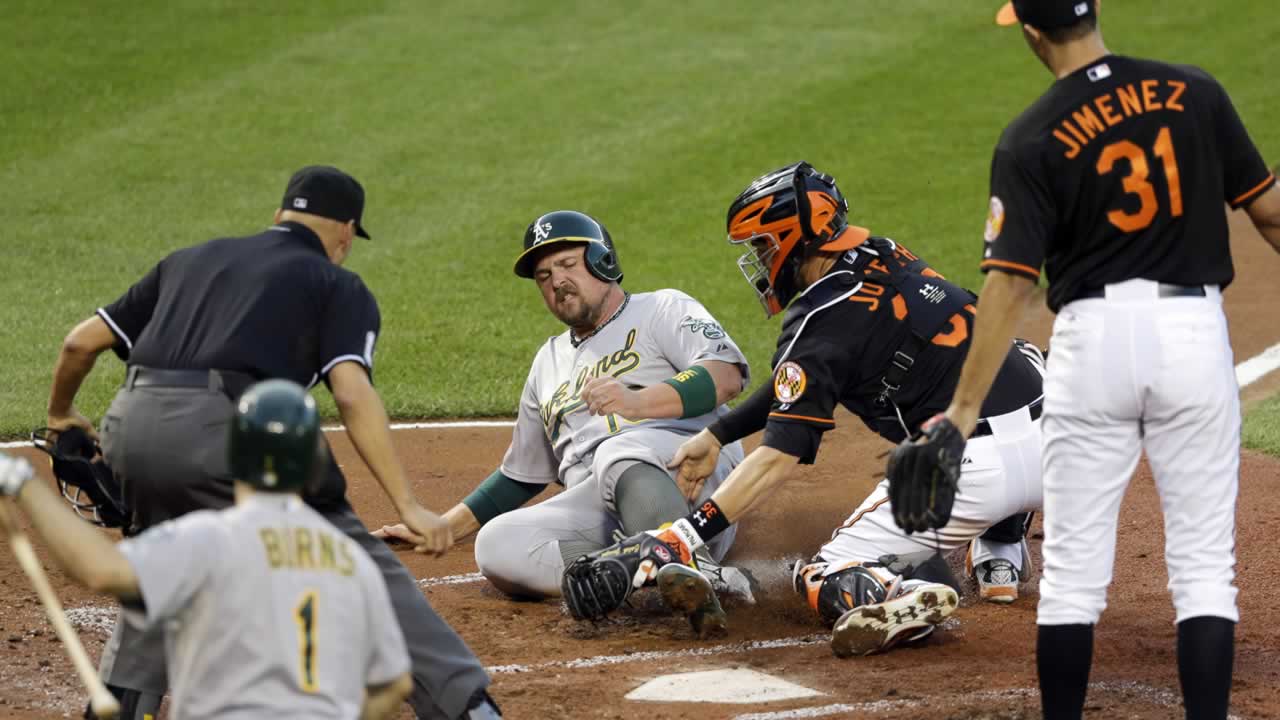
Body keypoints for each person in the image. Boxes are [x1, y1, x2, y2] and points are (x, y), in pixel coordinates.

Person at [916, 2, 1280, 718]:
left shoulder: (1028, 136)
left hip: (1093, 343)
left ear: (1029, 32)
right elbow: (1269, 212)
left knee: (1074, 579)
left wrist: (961, 412)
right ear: (1096, 9)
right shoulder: (1194, 91)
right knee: (1206, 570)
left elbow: (1013, 282)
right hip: (1191, 336)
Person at [45, 166, 497, 719]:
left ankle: (116, 706)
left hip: (130, 426)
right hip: (227, 433)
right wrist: (407, 504)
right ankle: (467, 707)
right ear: (346, 232)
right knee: (352, 556)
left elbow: (78, 345)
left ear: (281, 214)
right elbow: (352, 394)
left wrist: (61, 413)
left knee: (170, 557)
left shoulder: (189, 259)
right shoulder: (335, 284)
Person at [560, 162, 1047, 655]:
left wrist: (682, 535)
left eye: (762, 246)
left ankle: (902, 591)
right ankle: (1003, 538)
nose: (759, 260)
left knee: (820, 575)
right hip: (1060, 443)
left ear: (792, 237)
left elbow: (777, 458)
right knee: (1020, 351)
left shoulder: (816, 321)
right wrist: (718, 434)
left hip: (972, 474)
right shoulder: (883, 252)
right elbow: (806, 377)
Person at [375, 209, 754, 636]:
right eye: (543, 276)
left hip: (689, 483)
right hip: (606, 506)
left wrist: (637, 401)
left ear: (602, 261)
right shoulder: (547, 362)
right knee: (497, 545)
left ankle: (696, 566)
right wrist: (444, 527)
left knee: (618, 448)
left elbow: (726, 374)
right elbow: (521, 475)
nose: (556, 281)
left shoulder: (660, 308)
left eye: (568, 265)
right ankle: (635, 573)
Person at [0, 381, 412, 719]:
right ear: (314, 468)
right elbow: (395, 683)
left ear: (234, 455)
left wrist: (21, 482)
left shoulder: (208, 540)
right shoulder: (352, 559)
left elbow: (99, 570)